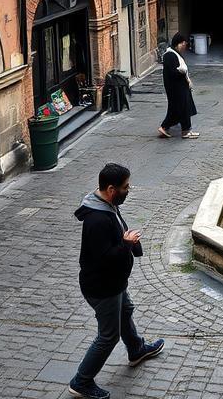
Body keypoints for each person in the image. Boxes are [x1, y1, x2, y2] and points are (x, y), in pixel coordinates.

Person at [69, 163, 165, 399]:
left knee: (126, 310)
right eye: (125, 187)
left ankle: (136, 350)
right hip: (103, 287)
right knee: (108, 335)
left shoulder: (106, 204)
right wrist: (127, 244)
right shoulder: (97, 220)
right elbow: (103, 259)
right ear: (111, 189)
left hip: (114, 283)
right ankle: (81, 381)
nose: (128, 190)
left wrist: (127, 242)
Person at [157, 32, 199, 139]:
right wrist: (182, 71)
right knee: (182, 108)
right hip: (176, 88)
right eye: (183, 44)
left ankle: (172, 128)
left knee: (180, 108)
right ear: (178, 44)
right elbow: (173, 72)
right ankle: (184, 131)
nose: (184, 46)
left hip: (180, 86)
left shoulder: (175, 53)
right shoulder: (170, 55)